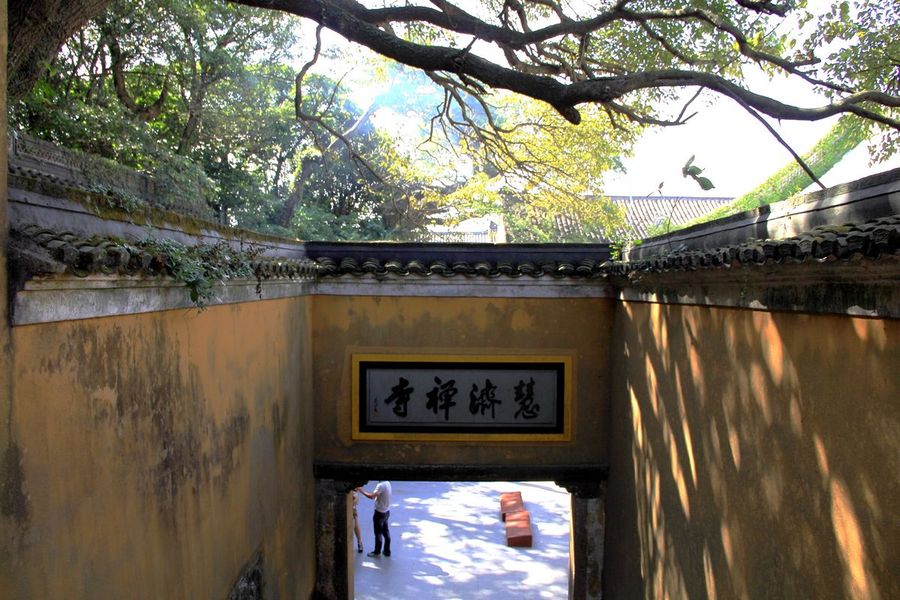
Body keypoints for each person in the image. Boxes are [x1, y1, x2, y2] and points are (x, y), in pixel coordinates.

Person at [358, 481, 392, 557]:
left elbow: (372, 496)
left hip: (379, 513)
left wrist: (361, 490)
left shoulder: (381, 485)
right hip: (386, 511)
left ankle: (377, 552)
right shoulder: (387, 483)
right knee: (386, 531)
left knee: (378, 533)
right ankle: (387, 551)